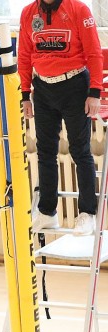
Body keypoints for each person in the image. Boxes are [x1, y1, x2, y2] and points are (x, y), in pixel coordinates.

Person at [19, 0, 103, 235]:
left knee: (80, 150)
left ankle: (87, 214)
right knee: (45, 151)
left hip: (75, 86)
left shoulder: (79, 10)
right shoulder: (28, 13)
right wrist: (25, 94)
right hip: (42, 89)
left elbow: (94, 52)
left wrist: (95, 92)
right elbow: (24, 54)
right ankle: (47, 212)